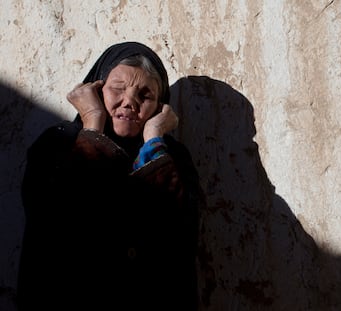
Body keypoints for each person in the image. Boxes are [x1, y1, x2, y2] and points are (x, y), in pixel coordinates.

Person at [17, 42, 203, 310]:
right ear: (95, 88)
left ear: (160, 107)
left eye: (145, 95)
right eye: (117, 88)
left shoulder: (172, 159)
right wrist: (93, 124)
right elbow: (57, 218)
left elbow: (177, 237)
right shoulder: (58, 145)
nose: (130, 101)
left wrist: (153, 140)